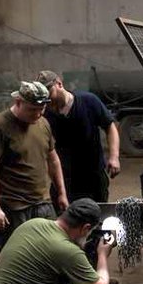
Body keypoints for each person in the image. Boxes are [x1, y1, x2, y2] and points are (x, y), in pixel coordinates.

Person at [0, 81, 69, 253]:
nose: (38, 114)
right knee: (16, 257)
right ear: (18, 102)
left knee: (50, 253)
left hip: (43, 204)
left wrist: (62, 193)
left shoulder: (43, 124)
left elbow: (53, 159)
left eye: (42, 109)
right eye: (33, 109)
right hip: (14, 207)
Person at [37, 70, 121, 203]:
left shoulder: (88, 101)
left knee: (96, 213)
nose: (48, 99)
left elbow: (110, 127)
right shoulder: (45, 113)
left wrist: (114, 157)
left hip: (93, 173)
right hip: (65, 177)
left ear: (59, 84)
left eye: (49, 92)